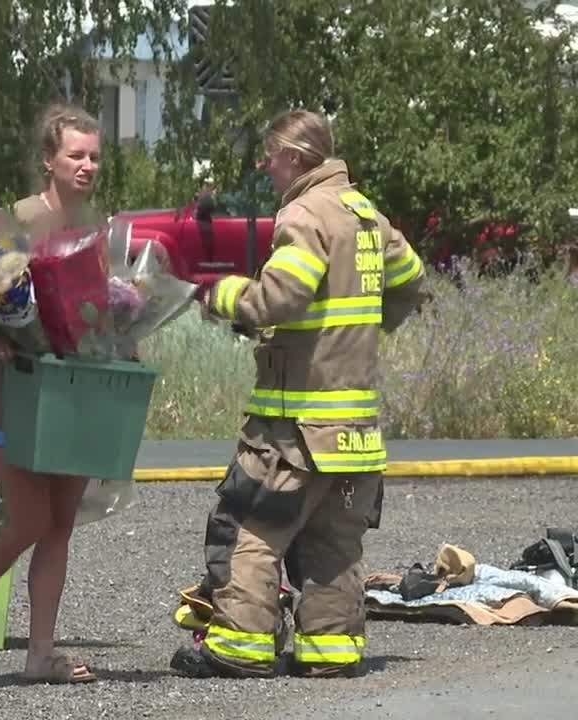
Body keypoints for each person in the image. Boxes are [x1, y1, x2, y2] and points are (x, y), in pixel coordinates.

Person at [168, 109, 428, 680]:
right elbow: (412, 280)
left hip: (296, 426)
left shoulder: (306, 214)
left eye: (271, 155)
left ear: (294, 155)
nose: (266, 165)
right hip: (356, 435)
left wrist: (219, 295)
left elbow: (279, 297)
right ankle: (330, 653)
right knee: (332, 543)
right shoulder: (367, 215)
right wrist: (364, 330)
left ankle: (239, 647)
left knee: (250, 527)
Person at [0, 101, 105, 685]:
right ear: (49, 159)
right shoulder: (11, 221)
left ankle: (41, 654)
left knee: (60, 522)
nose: (87, 165)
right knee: (31, 516)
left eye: (94, 156)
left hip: (72, 386)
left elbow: (99, 306)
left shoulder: (96, 227)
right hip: (15, 387)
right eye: (75, 155)